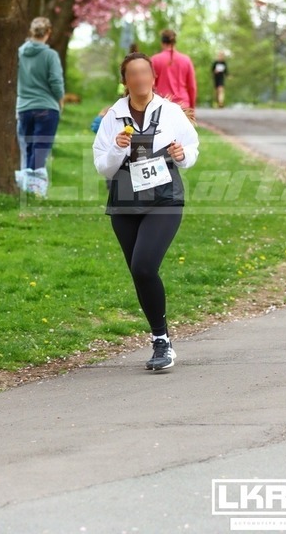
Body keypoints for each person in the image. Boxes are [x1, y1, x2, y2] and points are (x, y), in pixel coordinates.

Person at [93, 52, 199, 371]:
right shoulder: (113, 117)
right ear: (125, 81)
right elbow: (103, 167)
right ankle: (160, 337)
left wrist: (181, 155)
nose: (139, 79)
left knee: (144, 266)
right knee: (139, 273)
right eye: (133, 74)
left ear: (153, 78)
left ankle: (162, 341)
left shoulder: (170, 112)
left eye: (144, 73)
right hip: (125, 199)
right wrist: (117, 148)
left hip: (163, 198)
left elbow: (191, 149)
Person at [16, 17, 65, 196]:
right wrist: (60, 99)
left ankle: (26, 187)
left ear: (31, 31)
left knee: (28, 147)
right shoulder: (50, 55)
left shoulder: (19, 53)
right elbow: (55, 81)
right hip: (46, 107)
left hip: (24, 107)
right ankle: (34, 190)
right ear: (48, 33)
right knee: (40, 148)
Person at [151, 29, 197, 114]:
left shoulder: (154, 60)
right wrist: (192, 109)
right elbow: (192, 87)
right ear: (175, 42)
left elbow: (150, 85)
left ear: (162, 42)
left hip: (161, 106)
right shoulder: (186, 60)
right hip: (183, 106)